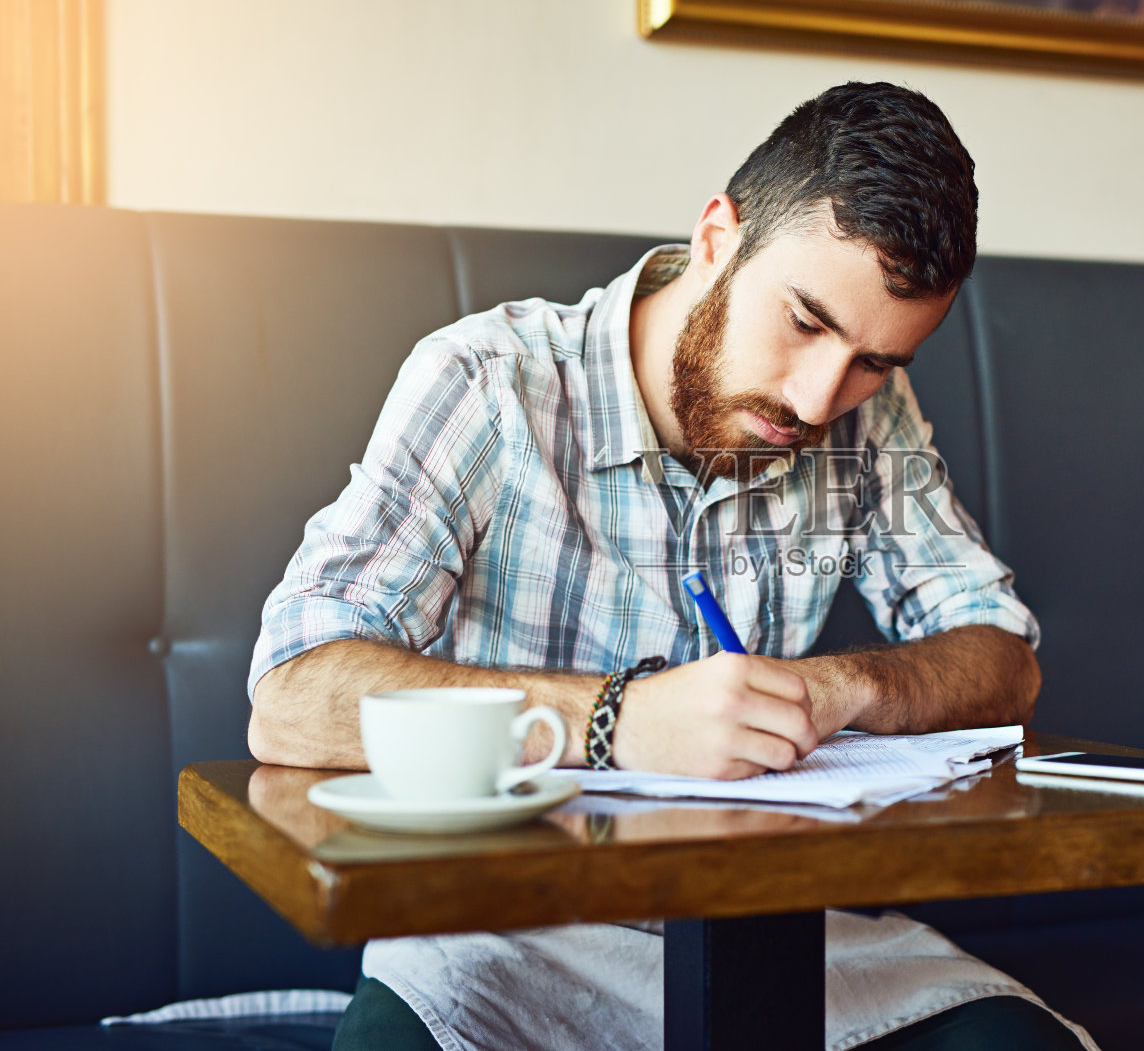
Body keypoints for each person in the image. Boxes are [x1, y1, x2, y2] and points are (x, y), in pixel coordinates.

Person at [247, 81, 1094, 1051]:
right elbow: (292, 696)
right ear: (716, 237)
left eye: (874, 361)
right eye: (806, 322)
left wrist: (839, 688)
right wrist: (620, 721)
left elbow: (1004, 663)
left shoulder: (865, 418)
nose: (820, 399)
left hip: (769, 925)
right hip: (502, 936)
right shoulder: (490, 383)